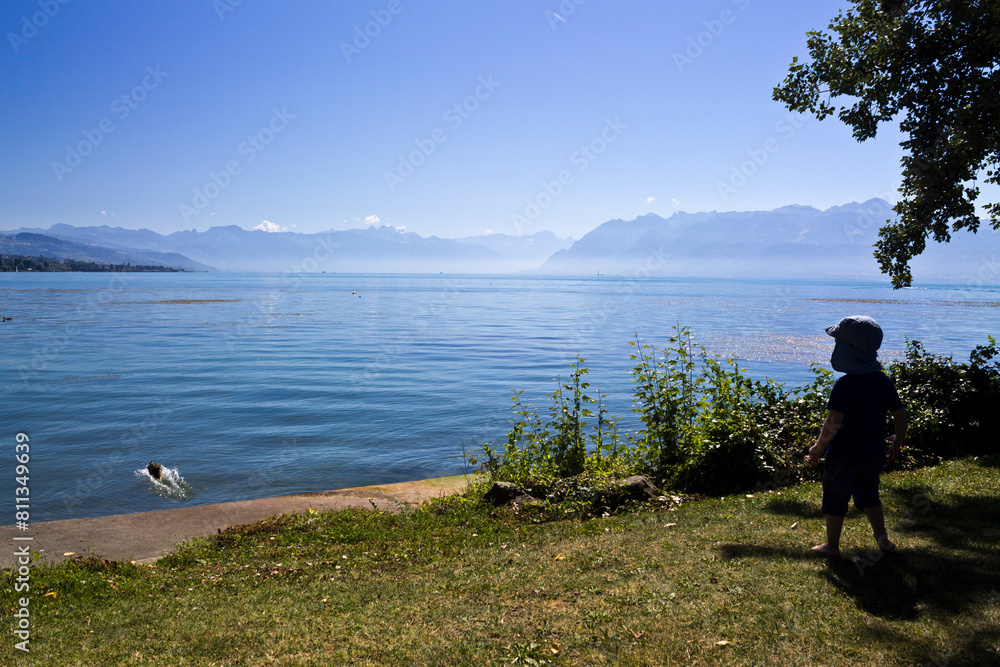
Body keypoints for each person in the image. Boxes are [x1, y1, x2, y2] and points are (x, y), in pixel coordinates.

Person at [806, 315, 908, 557]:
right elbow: (900, 415)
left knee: (836, 496)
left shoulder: (845, 385)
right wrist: (898, 441)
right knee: (870, 494)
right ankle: (882, 538)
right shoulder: (883, 382)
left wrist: (819, 448)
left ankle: (832, 546)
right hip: (873, 452)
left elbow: (833, 421)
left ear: (846, 351)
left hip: (843, 454)